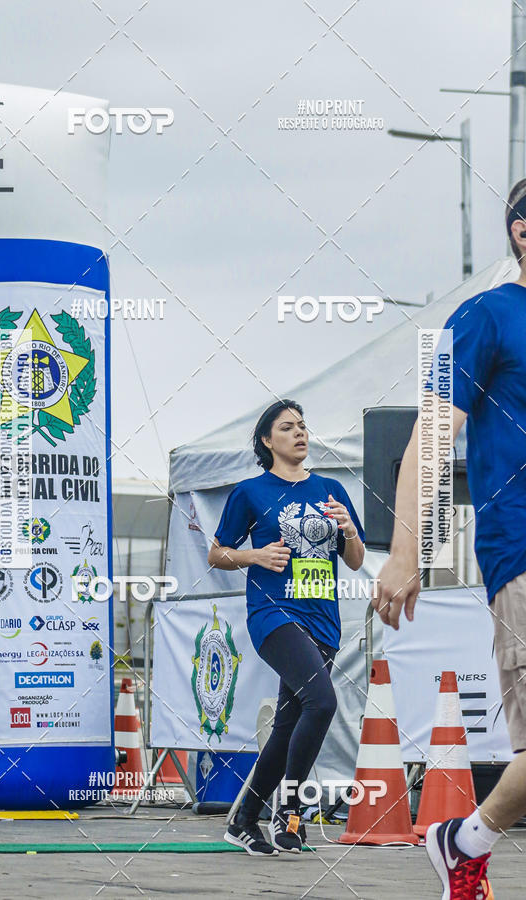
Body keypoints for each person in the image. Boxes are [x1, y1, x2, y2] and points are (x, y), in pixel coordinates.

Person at [372, 182, 526, 899]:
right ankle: (463, 840)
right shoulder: (485, 317)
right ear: (521, 232)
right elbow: (428, 440)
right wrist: (406, 555)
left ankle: (463, 841)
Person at [208, 399, 365, 856]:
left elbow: (354, 560)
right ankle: (288, 813)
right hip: (274, 614)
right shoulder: (251, 492)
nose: (299, 433)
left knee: (288, 722)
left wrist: (348, 531)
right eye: (287, 427)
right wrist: (255, 556)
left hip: (323, 620)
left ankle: (244, 821)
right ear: (266, 440)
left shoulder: (330, 489)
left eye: (302, 426)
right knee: (322, 701)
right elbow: (217, 553)